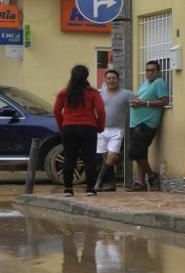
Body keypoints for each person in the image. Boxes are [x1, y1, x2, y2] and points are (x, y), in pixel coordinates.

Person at [53, 65, 106, 197]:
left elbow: (56, 111)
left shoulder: (64, 93)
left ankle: (68, 189)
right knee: (90, 159)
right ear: (86, 76)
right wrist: (100, 126)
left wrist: (62, 127)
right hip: (88, 128)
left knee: (69, 158)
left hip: (69, 128)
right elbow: (100, 111)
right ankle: (90, 189)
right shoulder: (93, 93)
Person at [128, 60, 170, 191]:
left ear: (158, 72)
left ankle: (152, 176)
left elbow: (164, 101)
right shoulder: (145, 83)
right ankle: (140, 183)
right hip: (135, 122)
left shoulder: (159, 83)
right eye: (147, 70)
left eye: (152, 70)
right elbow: (140, 98)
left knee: (134, 153)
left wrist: (144, 103)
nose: (149, 73)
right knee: (141, 154)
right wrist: (135, 101)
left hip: (147, 124)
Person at [95, 69, 132, 191]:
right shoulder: (100, 93)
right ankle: (111, 184)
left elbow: (138, 101)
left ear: (118, 80)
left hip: (117, 130)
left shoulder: (126, 94)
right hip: (101, 129)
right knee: (106, 159)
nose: (111, 80)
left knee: (112, 157)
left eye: (114, 78)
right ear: (105, 80)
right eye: (109, 78)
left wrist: (141, 103)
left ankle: (99, 182)